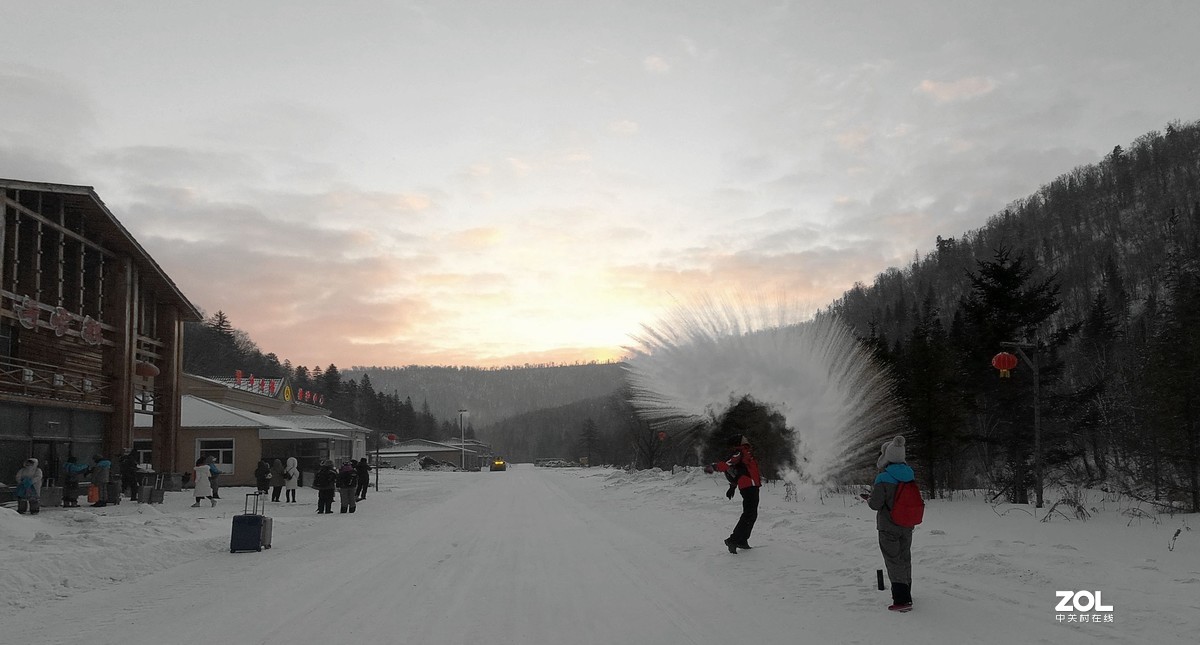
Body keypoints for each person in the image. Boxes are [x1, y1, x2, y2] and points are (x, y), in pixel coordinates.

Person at [865, 435, 916, 612]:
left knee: (893, 560)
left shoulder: (883, 478)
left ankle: (902, 600)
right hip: (907, 525)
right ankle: (907, 591)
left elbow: (875, 504)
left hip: (888, 527)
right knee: (905, 558)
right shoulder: (909, 474)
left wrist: (869, 499)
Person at [704, 434, 762, 554]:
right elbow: (727, 464)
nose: (746, 439)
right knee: (748, 514)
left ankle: (742, 540)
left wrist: (733, 486)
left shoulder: (747, 452)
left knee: (752, 515)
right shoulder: (739, 452)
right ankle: (733, 540)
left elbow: (739, 471)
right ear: (739, 442)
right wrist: (713, 467)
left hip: (753, 485)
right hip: (748, 486)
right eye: (743, 439)